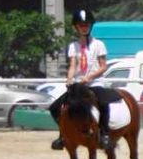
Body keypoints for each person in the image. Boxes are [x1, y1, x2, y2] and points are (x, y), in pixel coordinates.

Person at [49, 9, 120, 150]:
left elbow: (103, 66)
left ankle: (104, 134)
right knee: (55, 107)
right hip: (78, 84)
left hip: (95, 82)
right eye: (81, 25)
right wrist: (69, 78)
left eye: (86, 25)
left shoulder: (99, 44)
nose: (84, 27)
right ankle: (63, 135)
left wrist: (89, 77)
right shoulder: (73, 46)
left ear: (90, 26)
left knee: (103, 103)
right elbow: (73, 66)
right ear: (76, 27)